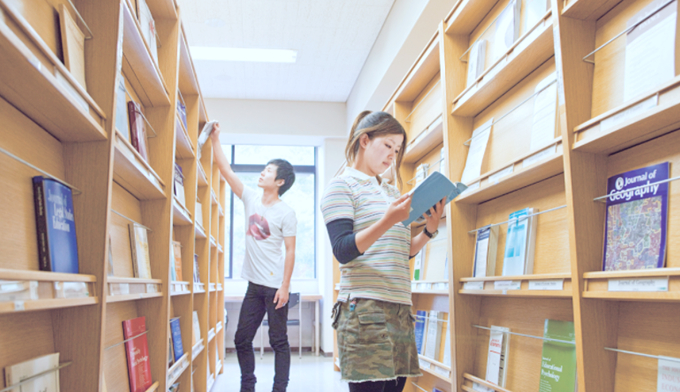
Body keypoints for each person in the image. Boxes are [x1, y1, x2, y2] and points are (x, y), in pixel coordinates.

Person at [321, 111, 446, 392]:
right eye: (388, 145)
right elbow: (343, 250)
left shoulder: (392, 193)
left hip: (400, 308)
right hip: (365, 308)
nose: (393, 155)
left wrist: (428, 230)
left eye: (398, 149)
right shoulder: (341, 186)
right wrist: (389, 219)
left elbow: (401, 252)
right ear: (364, 140)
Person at [210, 125, 297, 392]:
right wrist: (216, 139)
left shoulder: (286, 213)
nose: (263, 172)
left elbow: (291, 251)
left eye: (269, 171)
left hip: (274, 287)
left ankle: (279, 389)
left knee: (278, 341)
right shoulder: (250, 198)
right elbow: (226, 170)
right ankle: (248, 386)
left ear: (280, 181)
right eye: (265, 169)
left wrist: (284, 286)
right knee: (241, 338)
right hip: (253, 285)